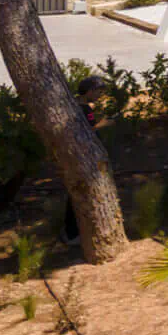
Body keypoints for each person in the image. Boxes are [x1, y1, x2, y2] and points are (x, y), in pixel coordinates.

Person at [60, 75, 108, 245]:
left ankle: (71, 231)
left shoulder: (74, 105)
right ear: (89, 91)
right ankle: (72, 234)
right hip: (84, 157)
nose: (99, 96)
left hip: (78, 155)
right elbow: (90, 128)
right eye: (98, 92)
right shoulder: (84, 109)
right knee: (81, 192)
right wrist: (106, 123)